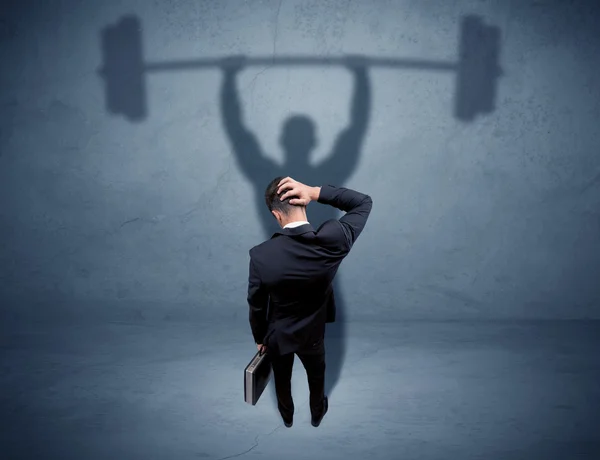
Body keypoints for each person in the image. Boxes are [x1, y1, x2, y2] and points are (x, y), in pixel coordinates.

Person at [247, 176, 372, 427]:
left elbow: (256, 304)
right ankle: (317, 414)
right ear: (303, 203)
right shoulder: (333, 239)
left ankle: (287, 416)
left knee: (282, 379)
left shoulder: (261, 255)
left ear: (276, 214)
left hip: (278, 335)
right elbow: (362, 203)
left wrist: (260, 338)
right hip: (313, 333)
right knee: (317, 376)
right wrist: (315, 191)